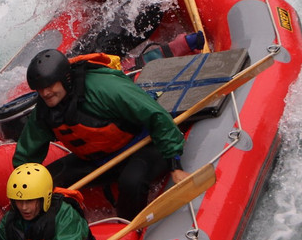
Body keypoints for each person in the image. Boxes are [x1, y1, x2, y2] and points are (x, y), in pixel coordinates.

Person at [12, 48, 188, 220]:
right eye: (40, 89)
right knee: (47, 183)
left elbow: (157, 117)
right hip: (96, 160)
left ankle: (128, 227)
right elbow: (27, 152)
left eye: (49, 86)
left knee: (131, 182)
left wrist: (175, 164)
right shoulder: (45, 109)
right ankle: (62, 226)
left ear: (65, 79)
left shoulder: (106, 88)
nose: (45, 93)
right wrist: (24, 188)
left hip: (142, 146)